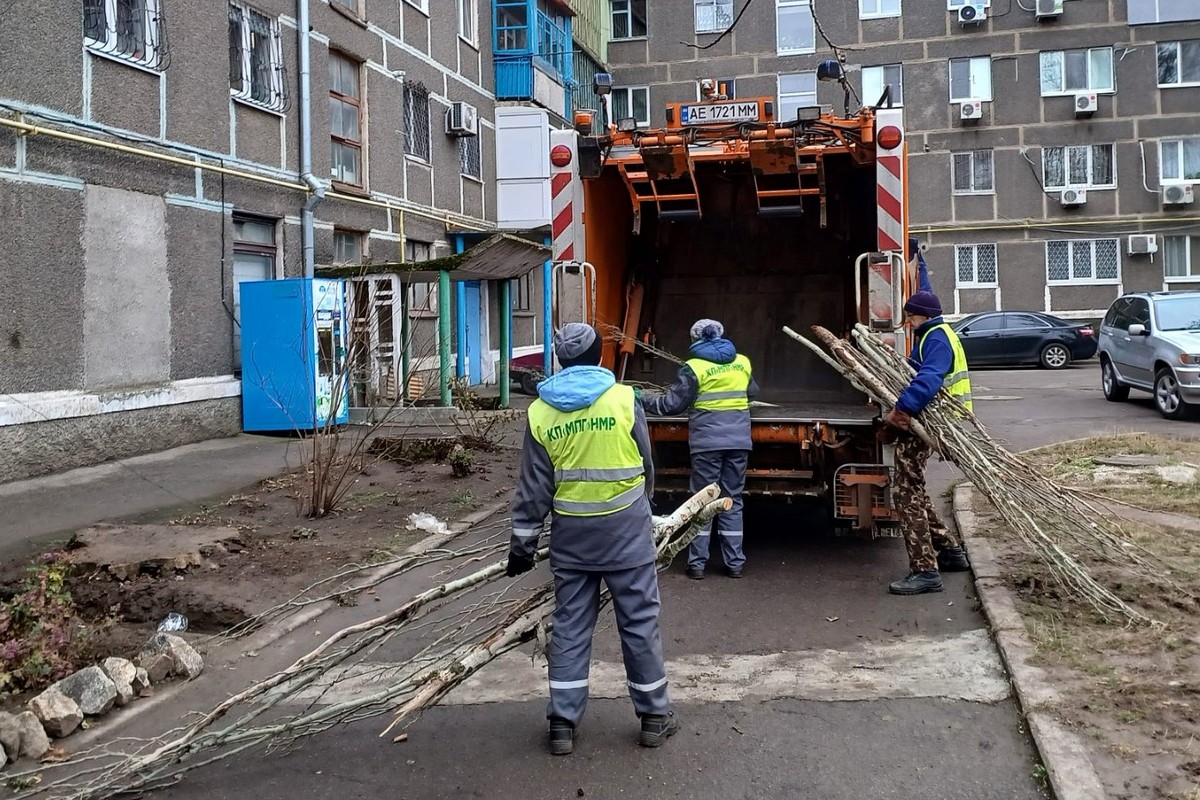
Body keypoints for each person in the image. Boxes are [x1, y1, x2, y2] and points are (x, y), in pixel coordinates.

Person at [507, 322, 679, 755]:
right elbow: (645, 462)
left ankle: (562, 723)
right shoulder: (624, 399)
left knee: (570, 626)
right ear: (600, 357)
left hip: (573, 539)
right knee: (639, 623)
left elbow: (534, 489)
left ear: (561, 361)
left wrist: (522, 545)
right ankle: (654, 717)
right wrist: (645, 507)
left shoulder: (541, 412)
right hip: (626, 532)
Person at [641, 319, 757, 580]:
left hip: (707, 444)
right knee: (732, 500)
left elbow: (671, 405)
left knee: (702, 501)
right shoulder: (743, 362)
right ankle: (735, 563)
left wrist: (641, 398)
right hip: (738, 442)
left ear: (695, 340)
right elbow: (751, 391)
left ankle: (697, 564)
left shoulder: (693, 368)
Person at [879, 290, 972, 596]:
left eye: (911, 316)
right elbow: (918, 369)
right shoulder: (936, 334)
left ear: (924, 315)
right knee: (914, 488)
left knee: (905, 495)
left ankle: (925, 570)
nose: (908, 321)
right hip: (929, 422)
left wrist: (902, 410)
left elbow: (929, 379)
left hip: (926, 424)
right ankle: (949, 550)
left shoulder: (936, 338)